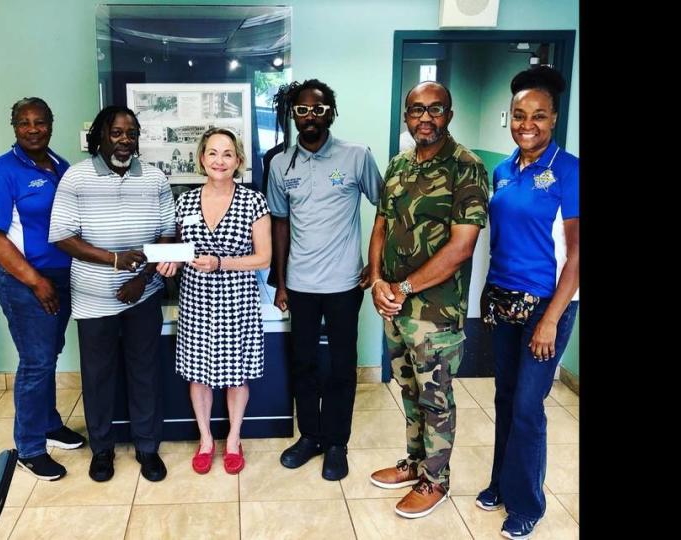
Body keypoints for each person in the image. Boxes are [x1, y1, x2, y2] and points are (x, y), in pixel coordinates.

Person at [366, 81, 489, 518]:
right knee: (409, 389)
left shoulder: (466, 167)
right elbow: (381, 224)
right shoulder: (398, 164)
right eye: (416, 110)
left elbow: (461, 247)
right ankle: (416, 463)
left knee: (435, 396)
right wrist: (378, 279)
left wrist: (401, 289)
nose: (425, 117)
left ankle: (436, 480)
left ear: (449, 115)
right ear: (406, 116)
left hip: (435, 312)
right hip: (394, 306)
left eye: (435, 110)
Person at [474, 65, 579, 539]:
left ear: (553, 118)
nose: (527, 124)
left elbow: (577, 252)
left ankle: (528, 503)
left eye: (538, 115)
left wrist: (550, 320)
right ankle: (500, 481)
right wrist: (488, 293)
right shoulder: (502, 169)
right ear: (509, 118)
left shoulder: (569, 170)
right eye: (519, 115)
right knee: (503, 397)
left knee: (527, 407)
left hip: (546, 304)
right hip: (502, 297)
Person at [48, 105, 175, 484]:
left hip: (144, 295)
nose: (124, 140)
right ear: (101, 136)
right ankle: (101, 450)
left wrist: (142, 277)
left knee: (145, 373)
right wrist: (114, 259)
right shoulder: (76, 177)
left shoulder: (154, 178)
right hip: (92, 300)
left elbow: (168, 233)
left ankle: (147, 448)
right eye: (116, 132)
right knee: (98, 377)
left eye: (131, 133)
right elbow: (63, 237)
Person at [266, 79, 384, 481]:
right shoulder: (282, 164)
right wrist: (280, 282)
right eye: (302, 109)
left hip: (344, 285)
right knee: (303, 363)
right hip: (300, 284)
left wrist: (376, 263)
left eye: (318, 109)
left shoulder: (356, 156)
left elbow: (385, 209)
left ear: (331, 112)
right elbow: (279, 224)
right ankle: (310, 436)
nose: (310, 116)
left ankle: (337, 442)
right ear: (293, 115)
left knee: (340, 366)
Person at [0, 97, 87, 481]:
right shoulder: (2, 170)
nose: (32, 129)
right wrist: (35, 280)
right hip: (24, 279)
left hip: (62, 275)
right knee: (36, 359)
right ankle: (29, 446)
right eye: (24, 122)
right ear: (14, 126)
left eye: (40, 122)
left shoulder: (60, 165)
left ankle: (48, 423)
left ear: (51, 124)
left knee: (50, 351)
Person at [163, 127, 271, 475]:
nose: (219, 160)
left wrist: (221, 263)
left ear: (238, 160)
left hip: (237, 301)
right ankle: (207, 439)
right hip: (196, 301)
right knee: (199, 375)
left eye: (227, 154)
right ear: (201, 158)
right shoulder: (184, 202)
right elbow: (180, 252)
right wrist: (172, 262)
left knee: (237, 374)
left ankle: (234, 439)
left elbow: (264, 258)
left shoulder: (253, 201)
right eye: (212, 153)